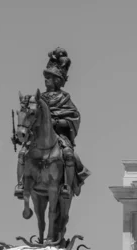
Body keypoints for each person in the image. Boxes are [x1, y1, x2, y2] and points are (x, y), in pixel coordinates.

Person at [14, 47, 89, 200]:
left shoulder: (64, 98)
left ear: (57, 80)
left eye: (49, 77)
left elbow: (74, 117)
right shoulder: (37, 98)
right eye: (46, 77)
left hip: (59, 136)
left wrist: (58, 121)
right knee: (22, 154)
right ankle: (21, 184)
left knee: (68, 154)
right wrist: (20, 134)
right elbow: (29, 117)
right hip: (37, 136)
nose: (46, 80)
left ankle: (67, 186)